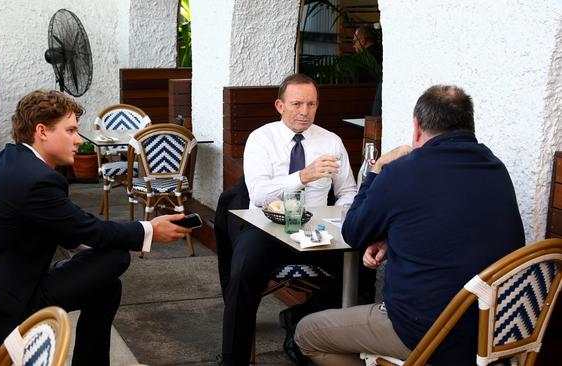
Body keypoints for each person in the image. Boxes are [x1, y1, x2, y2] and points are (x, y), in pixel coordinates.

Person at [0, 90, 192, 366]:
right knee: (115, 257)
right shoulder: (36, 180)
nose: (77, 140)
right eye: (70, 130)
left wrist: (93, 242)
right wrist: (150, 230)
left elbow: (70, 229)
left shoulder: (7, 161)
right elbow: (89, 230)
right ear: (42, 131)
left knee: (106, 287)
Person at [294, 85, 525, 366]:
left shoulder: (402, 172)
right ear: (469, 125)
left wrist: (377, 170)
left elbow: (353, 232)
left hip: (426, 333)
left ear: (416, 128)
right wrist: (393, 241)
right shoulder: (496, 169)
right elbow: (450, 227)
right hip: (495, 332)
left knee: (307, 333)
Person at [218, 73, 358, 365]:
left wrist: (338, 220)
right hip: (268, 226)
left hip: (315, 229)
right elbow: (257, 194)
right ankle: (234, 359)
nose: (304, 112)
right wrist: (303, 176)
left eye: (311, 104)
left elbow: (348, 192)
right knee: (244, 269)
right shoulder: (261, 138)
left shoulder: (331, 141)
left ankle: (299, 318)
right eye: (296, 104)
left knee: (362, 268)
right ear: (280, 105)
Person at [353, 25, 383, 116]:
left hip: (363, 105)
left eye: (354, 41)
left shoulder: (359, 59)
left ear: (362, 41)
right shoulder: (385, 54)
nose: (353, 46)